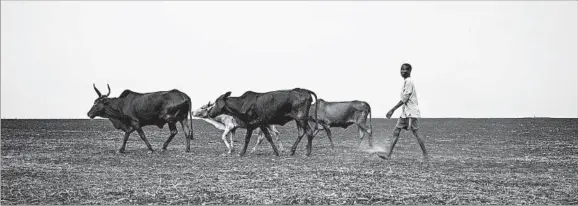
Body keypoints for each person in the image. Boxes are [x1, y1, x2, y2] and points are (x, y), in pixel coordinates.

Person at [378, 63, 428, 160]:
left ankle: (426, 155)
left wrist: (392, 109)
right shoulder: (406, 81)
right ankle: (389, 155)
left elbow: (405, 98)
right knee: (396, 131)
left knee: (416, 133)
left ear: (409, 71)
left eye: (405, 70)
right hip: (406, 113)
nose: (403, 71)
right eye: (401, 69)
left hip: (410, 113)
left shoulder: (409, 82)